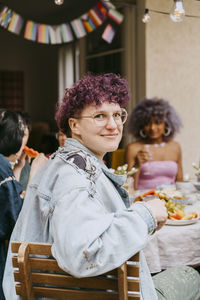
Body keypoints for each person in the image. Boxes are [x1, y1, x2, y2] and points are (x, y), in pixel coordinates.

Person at [3, 74, 200, 300]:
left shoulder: (61, 163)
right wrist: (145, 215)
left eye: (117, 115)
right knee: (190, 274)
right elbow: (81, 255)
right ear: (74, 125)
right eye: (99, 116)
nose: (113, 125)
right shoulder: (75, 177)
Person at [0, 109, 47, 300]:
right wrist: (35, 173)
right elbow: (17, 219)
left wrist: (18, 169)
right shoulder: (2, 167)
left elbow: (7, 201)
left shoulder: (4, 166)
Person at [125, 98, 183, 190]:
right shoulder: (133, 148)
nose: (152, 127)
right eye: (147, 123)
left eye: (157, 122)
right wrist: (137, 165)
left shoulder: (175, 147)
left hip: (171, 201)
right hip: (143, 200)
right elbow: (128, 189)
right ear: (141, 125)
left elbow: (180, 183)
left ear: (167, 124)